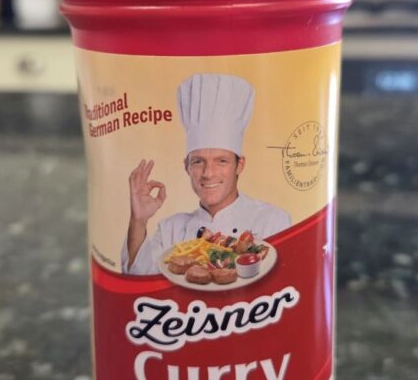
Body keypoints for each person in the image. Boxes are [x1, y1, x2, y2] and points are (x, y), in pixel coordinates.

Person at [121, 73, 291, 275]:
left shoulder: (273, 221)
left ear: (240, 165)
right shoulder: (171, 229)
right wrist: (138, 220)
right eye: (198, 161)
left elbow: (285, 279)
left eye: (222, 161)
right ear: (186, 167)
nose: (208, 173)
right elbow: (136, 279)